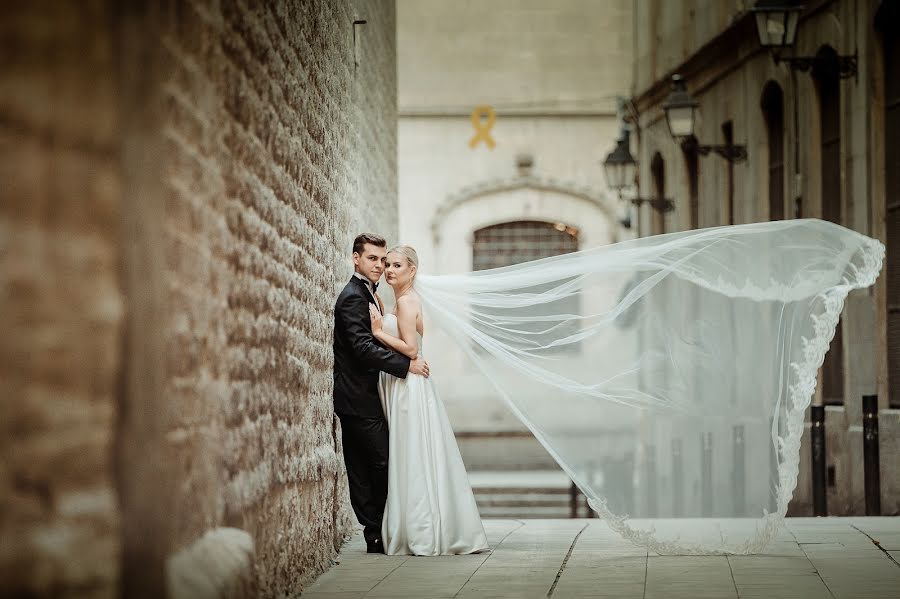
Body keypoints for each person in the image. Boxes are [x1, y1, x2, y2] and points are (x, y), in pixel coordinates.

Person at [369, 245, 489, 556]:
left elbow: (410, 350)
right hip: (403, 382)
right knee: (411, 451)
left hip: (410, 384)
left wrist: (379, 332)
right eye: (387, 264)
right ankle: (420, 524)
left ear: (412, 271)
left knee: (413, 451)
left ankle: (423, 529)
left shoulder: (408, 303)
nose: (390, 270)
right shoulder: (400, 301)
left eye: (397, 265)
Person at [332, 233, 430, 554]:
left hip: (375, 395)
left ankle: (381, 528)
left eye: (384, 259)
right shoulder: (352, 297)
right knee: (374, 463)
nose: (380, 266)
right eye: (373, 259)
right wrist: (406, 365)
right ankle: (374, 530)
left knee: (377, 462)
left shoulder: (373, 294)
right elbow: (361, 348)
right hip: (357, 397)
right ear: (355, 259)